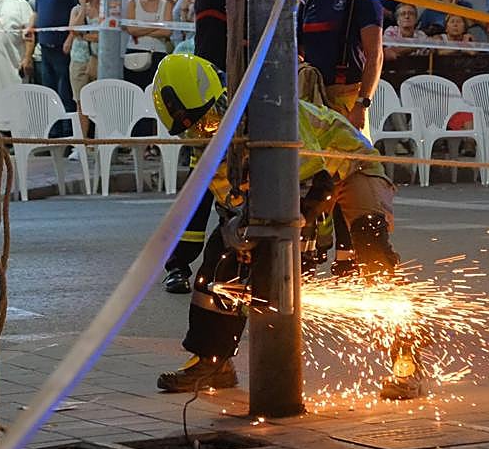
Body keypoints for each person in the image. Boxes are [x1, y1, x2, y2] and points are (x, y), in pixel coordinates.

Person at [151, 53, 399, 392]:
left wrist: (305, 247)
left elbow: (317, 186)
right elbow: (232, 205)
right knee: (220, 257)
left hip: (351, 168)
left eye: (207, 120)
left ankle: (406, 362)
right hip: (305, 184)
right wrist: (240, 238)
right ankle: (212, 362)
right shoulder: (204, 145)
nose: (203, 129)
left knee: (373, 254)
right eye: (191, 128)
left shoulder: (271, 115)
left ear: (222, 97)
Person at [161, 0, 228, 295]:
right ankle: (178, 264)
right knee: (199, 188)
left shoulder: (260, 1)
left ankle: (230, 265)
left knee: (240, 187)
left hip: (246, 98)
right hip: (208, 102)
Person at [297, 0, 383, 129]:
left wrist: (362, 105)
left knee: (353, 162)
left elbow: (375, 56)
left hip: (348, 100)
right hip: (310, 99)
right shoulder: (308, 1)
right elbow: (298, 51)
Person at [35, 0, 82, 114]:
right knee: (49, 92)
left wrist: (70, 37)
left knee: (65, 92)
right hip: (45, 45)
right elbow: (38, 10)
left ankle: (67, 132)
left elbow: (80, 11)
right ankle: (52, 131)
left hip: (63, 47)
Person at [125, 0, 174, 88]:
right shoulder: (133, 2)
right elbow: (131, 29)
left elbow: (166, 32)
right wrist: (155, 26)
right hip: (135, 52)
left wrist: (141, 30)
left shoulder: (166, 5)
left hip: (158, 53)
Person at [65, 0, 101, 137]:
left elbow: (101, 35)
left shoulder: (104, 10)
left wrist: (85, 35)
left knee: (99, 100)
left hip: (98, 58)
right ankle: (82, 140)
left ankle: (99, 138)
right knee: (80, 101)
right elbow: (74, 30)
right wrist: (82, 9)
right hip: (79, 58)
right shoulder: (76, 10)